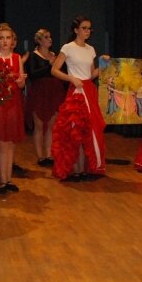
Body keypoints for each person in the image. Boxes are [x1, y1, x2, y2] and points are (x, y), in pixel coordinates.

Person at [50, 16, 107, 181]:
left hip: (89, 91)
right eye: (84, 28)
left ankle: (84, 169)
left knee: (89, 130)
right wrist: (71, 79)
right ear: (76, 30)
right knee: (74, 131)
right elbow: (55, 70)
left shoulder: (91, 50)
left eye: (89, 28)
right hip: (76, 92)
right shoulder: (68, 48)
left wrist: (103, 63)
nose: (87, 31)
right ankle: (74, 169)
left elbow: (91, 74)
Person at [0, 23, 26, 194]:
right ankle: (2, 181)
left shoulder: (17, 58)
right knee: (2, 143)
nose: (5, 41)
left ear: (12, 41)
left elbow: (22, 83)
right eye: (1, 38)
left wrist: (20, 82)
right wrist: (3, 84)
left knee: (11, 142)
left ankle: (8, 179)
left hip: (14, 104)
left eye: (8, 38)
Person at [24, 28, 65, 167]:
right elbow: (33, 74)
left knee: (51, 126)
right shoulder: (34, 56)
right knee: (39, 125)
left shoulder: (55, 55)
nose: (50, 39)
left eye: (50, 36)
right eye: (46, 37)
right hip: (39, 92)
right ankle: (40, 156)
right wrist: (49, 65)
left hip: (54, 92)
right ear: (39, 40)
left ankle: (48, 154)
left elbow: (61, 72)